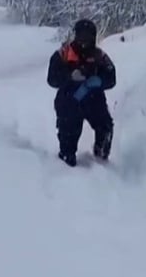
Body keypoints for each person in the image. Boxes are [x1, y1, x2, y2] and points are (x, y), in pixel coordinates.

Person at [46, 18, 116, 166]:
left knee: (105, 127)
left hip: (93, 100)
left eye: (88, 36)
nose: (84, 41)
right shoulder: (63, 53)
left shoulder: (99, 56)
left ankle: (101, 160)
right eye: (81, 36)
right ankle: (66, 163)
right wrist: (69, 76)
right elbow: (51, 78)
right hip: (69, 101)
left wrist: (98, 81)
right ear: (75, 35)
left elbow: (111, 78)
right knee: (68, 140)